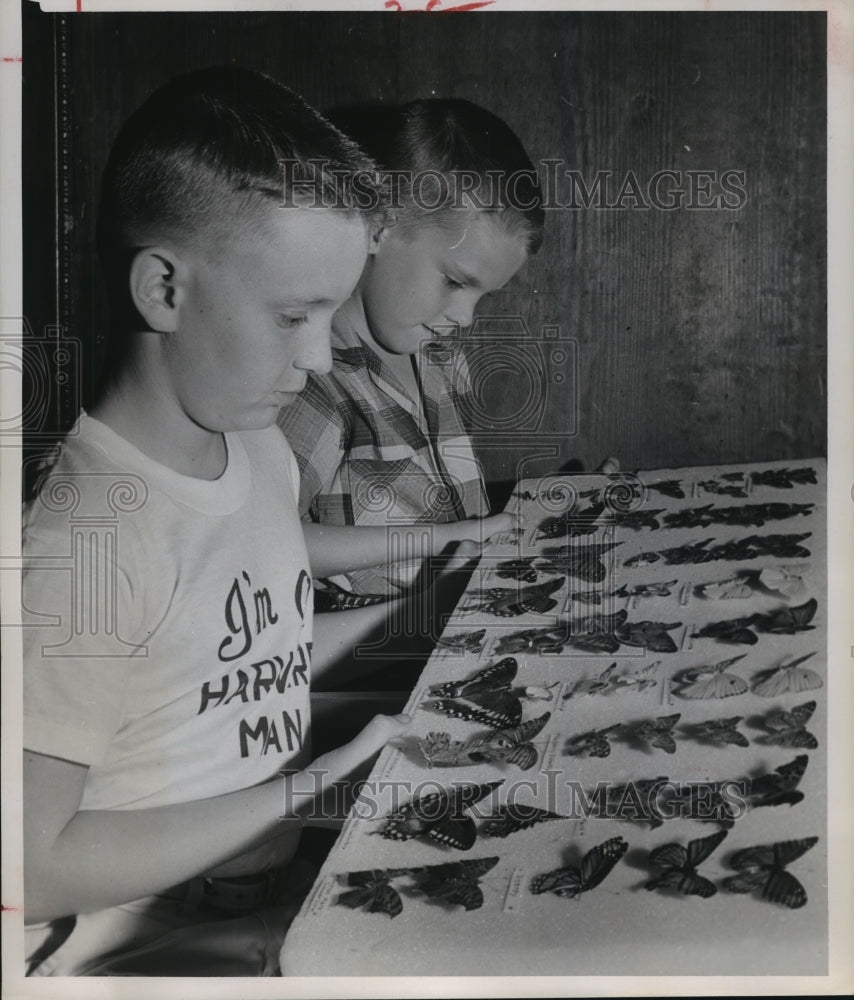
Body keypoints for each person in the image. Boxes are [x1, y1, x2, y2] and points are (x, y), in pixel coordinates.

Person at [21, 65, 411, 977]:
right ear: (163, 288)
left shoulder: (258, 447)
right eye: (291, 316)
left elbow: (228, 675)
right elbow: (28, 869)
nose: (318, 359)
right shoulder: (84, 539)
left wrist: (426, 608)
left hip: (259, 898)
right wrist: (310, 791)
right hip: (119, 952)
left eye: (331, 313)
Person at [277, 99, 545, 611]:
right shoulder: (313, 379)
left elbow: (456, 513)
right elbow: (264, 542)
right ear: (377, 225)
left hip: (454, 623)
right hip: (370, 652)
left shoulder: (439, 358)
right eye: (453, 281)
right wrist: (448, 540)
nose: (465, 317)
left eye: (483, 295)